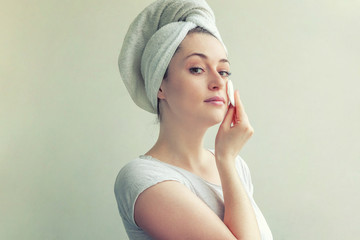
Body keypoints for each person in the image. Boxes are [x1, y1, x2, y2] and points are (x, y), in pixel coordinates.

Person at [114, 0, 273, 239]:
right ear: (160, 85)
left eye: (223, 71)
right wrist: (226, 159)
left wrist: (228, 161)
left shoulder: (237, 167)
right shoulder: (141, 177)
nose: (218, 82)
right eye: (197, 69)